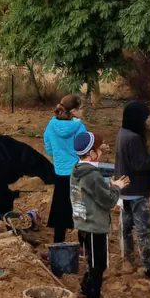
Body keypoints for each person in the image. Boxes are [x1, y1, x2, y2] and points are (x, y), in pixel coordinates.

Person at [70, 132, 129, 298]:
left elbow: (93, 192)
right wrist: (116, 187)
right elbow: (108, 201)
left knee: (93, 261)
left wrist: (107, 186)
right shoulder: (92, 176)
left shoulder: (78, 170)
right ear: (91, 154)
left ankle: (85, 289)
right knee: (98, 265)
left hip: (83, 224)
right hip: (94, 227)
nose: (101, 152)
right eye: (98, 150)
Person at [115, 101, 150, 282]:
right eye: (144, 118)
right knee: (144, 231)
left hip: (124, 190)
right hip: (137, 191)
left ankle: (127, 260)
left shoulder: (122, 134)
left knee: (125, 229)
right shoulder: (134, 138)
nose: (145, 122)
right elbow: (140, 164)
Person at [44, 95, 88, 243]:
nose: (83, 111)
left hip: (60, 172)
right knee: (80, 207)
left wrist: (59, 155)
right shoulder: (80, 127)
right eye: (81, 109)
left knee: (60, 207)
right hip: (77, 172)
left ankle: (58, 242)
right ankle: (83, 245)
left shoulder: (51, 125)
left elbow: (49, 148)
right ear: (74, 111)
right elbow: (83, 150)